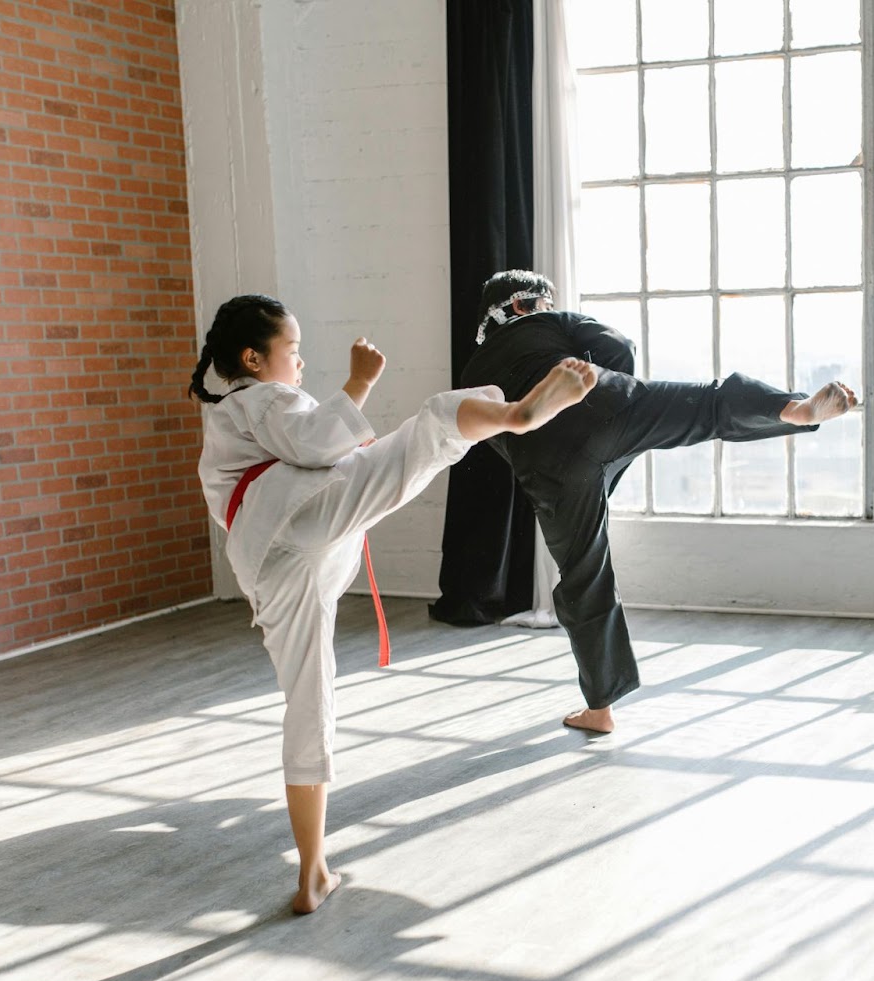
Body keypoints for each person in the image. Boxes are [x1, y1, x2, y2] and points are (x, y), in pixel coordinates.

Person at [190, 294, 595, 913]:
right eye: (292, 353)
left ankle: (313, 872)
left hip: (268, 562)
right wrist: (358, 382)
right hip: (301, 519)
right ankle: (515, 415)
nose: (299, 366)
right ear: (252, 357)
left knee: (309, 698)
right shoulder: (258, 398)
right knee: (434, 421)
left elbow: (299, 458)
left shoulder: (224, 422)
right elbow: (318, 442)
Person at [461, 270, 857, 735]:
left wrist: (557, 477)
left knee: (585, 575)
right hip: (607, 405)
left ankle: (601, 708)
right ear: (525, 306)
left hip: (548, 466)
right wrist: (617, 408)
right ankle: (793, 409)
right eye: (542, 303)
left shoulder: (473, 372)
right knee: (708, 405)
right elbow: (618, 346)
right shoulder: (551, 323)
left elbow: (493, 435)